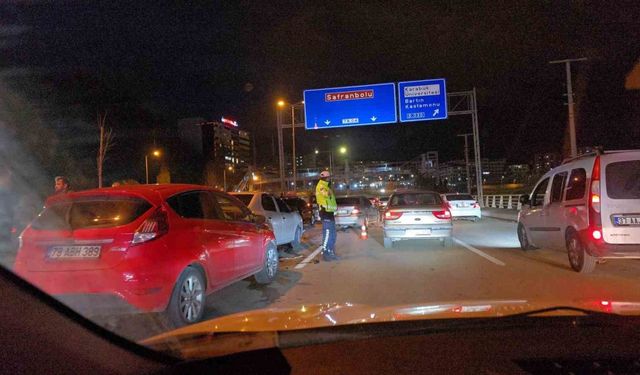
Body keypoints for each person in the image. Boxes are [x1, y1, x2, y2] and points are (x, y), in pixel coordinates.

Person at [315, 170, 339, 261]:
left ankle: (330, 251)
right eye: (329, 178)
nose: (330, 179)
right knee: (328, 234)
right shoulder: (321, 186)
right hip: (325, 213)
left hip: (330, 213)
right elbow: (325, 194)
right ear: (325, 178)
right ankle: (325, 253)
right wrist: (329, 191)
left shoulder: (326, 186)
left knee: (333, 234)